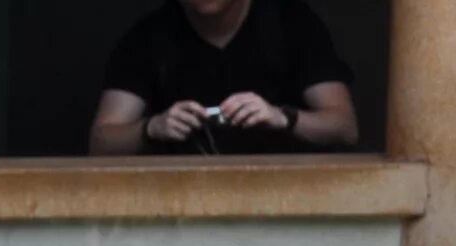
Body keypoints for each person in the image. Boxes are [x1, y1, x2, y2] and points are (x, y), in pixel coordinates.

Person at [87, 0, 359, 156]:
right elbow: (101, 142)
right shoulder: (148, 37)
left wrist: (282, 118)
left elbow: (345, 128)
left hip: (283, 204)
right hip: (182, 210)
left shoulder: (291, 24)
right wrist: (151, 128)